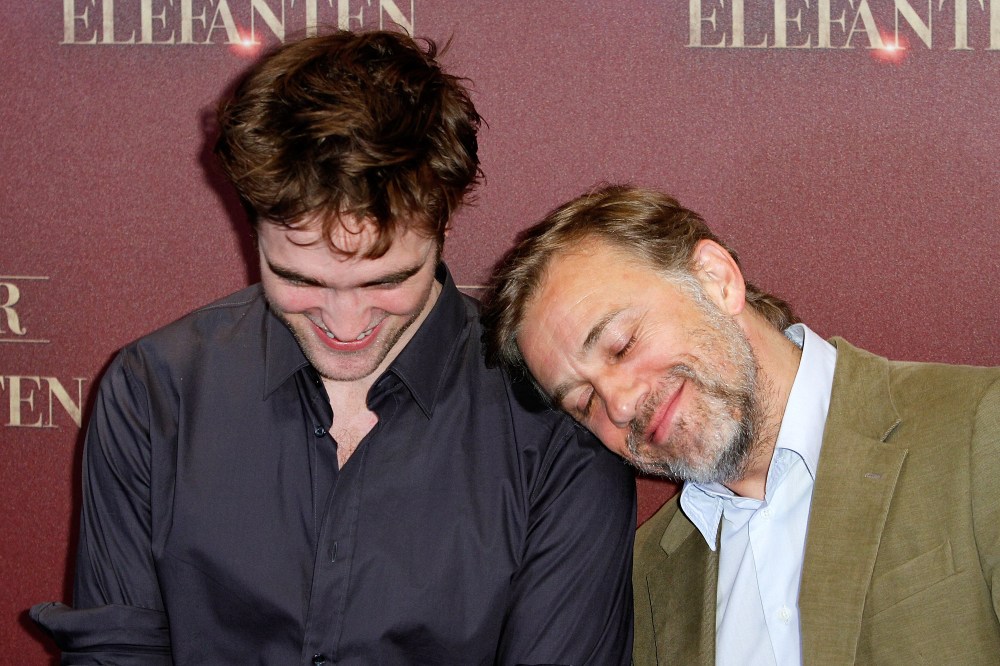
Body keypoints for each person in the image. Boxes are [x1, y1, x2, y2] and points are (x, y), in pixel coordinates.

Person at [30, 31, 635, 665]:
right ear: (251, 226)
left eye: (386, 281)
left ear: (444, 223)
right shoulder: (154, 393)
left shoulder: (555, 424)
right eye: (302, 281)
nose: (346, 324)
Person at [482, 184, 1000, 665]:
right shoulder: (651, 573)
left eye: (622, 345)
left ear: (716, 279)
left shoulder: (978, 425)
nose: (618, 405)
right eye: (585, 401)